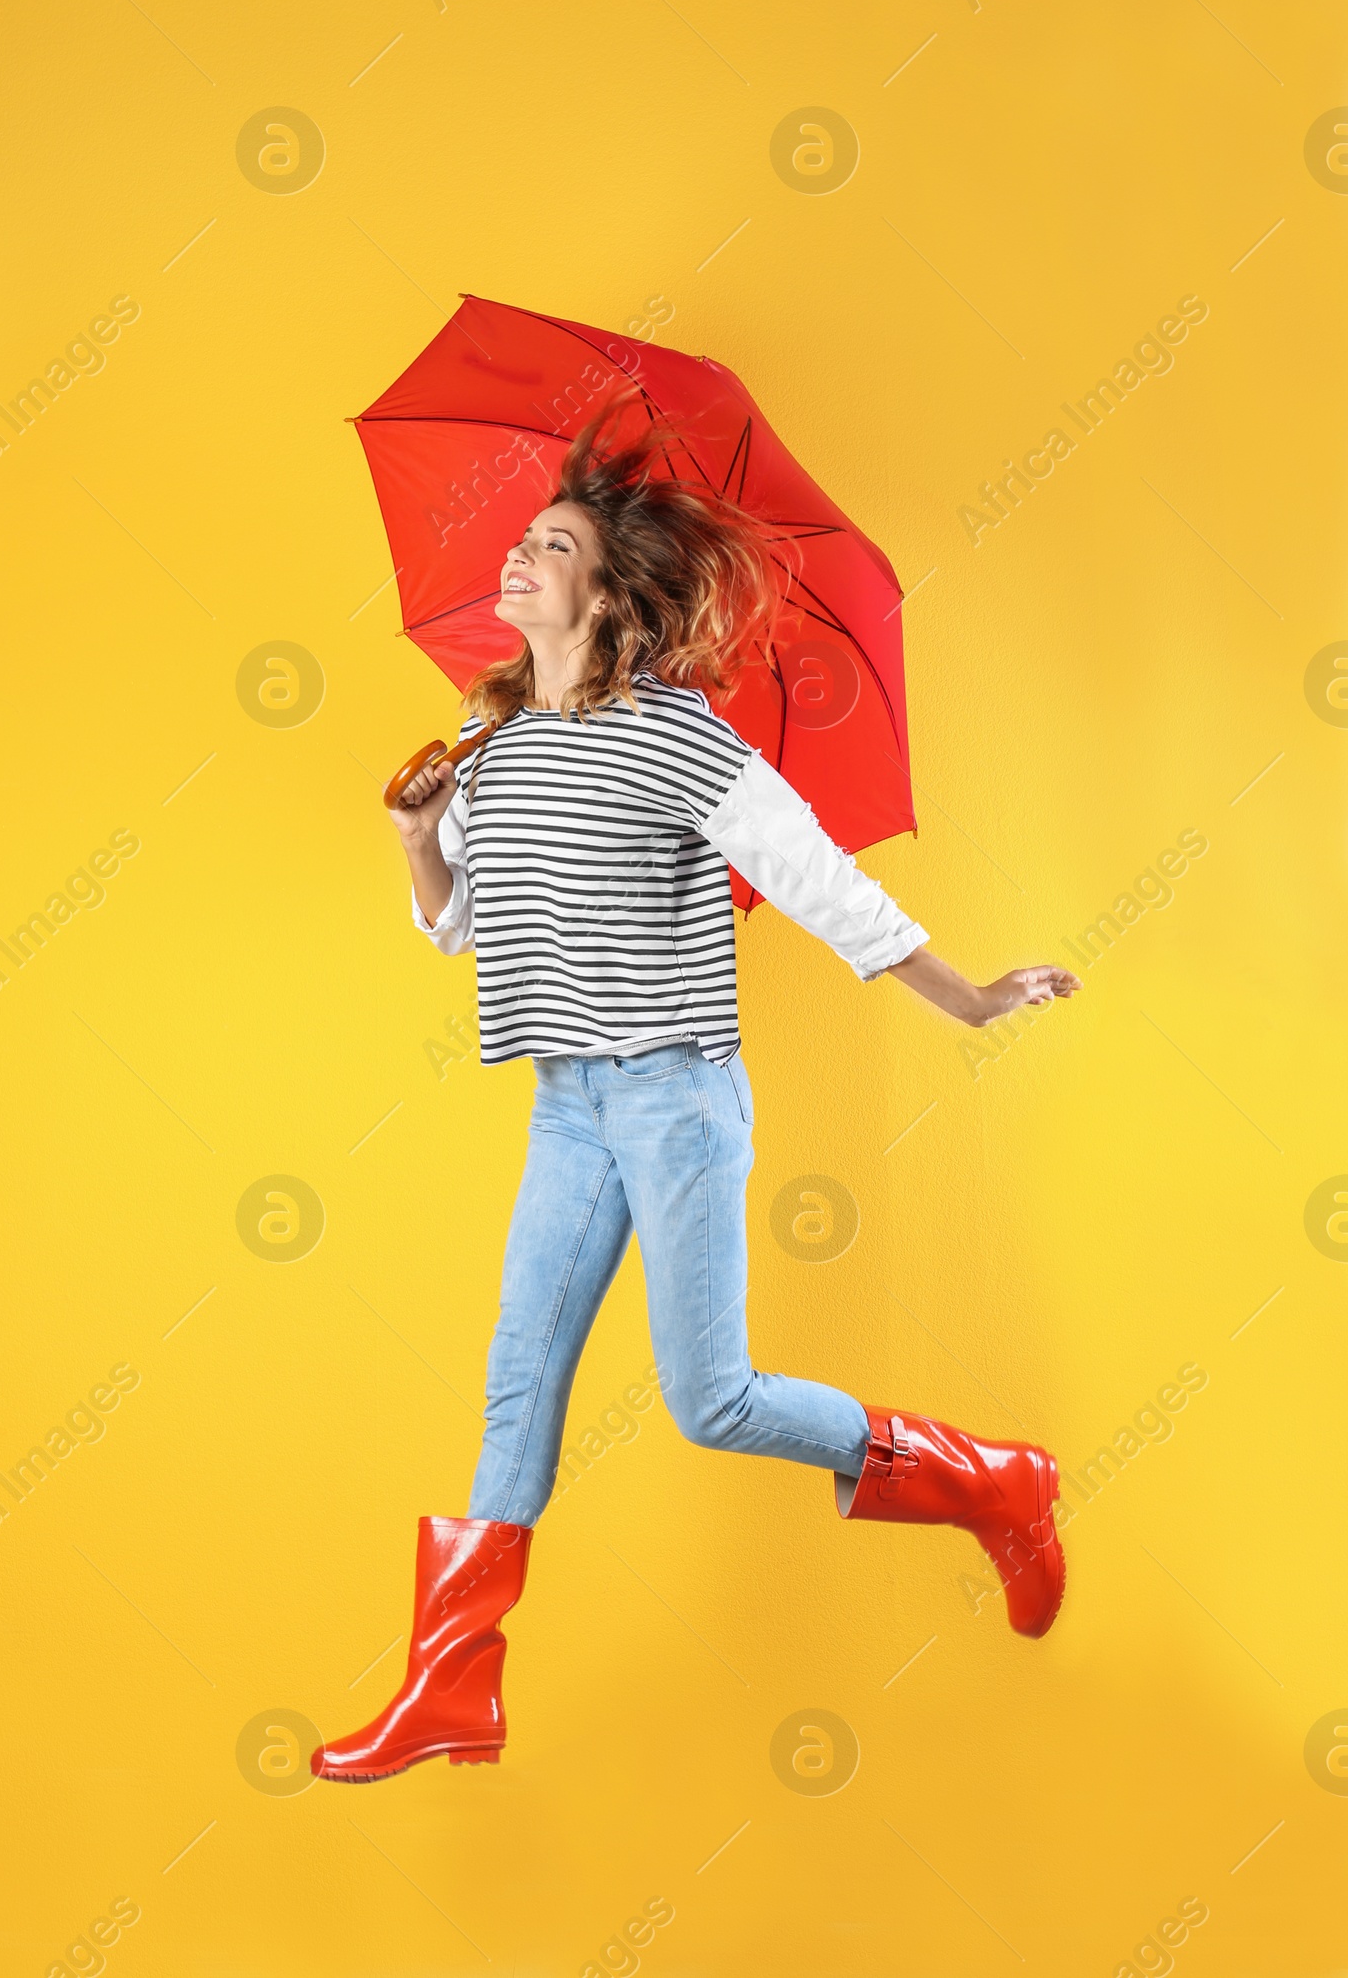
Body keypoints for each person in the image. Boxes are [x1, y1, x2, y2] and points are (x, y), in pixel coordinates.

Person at [312, 402, 1080, 1784]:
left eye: (552, 546)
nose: (519, 557)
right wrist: (418, 844)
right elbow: (463, 927)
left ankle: (993, 1482)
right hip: (564, 1108)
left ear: (609, 598)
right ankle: (448, 1692)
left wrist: (965, 994)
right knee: (515, 1392)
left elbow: (814, 876)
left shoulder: (678, 737)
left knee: (708, 1400)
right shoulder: (490, 747)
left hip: (674, 1104)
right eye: (526, 539)